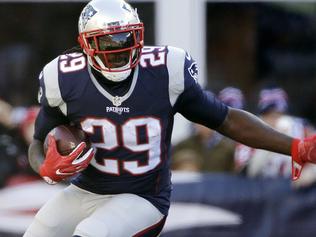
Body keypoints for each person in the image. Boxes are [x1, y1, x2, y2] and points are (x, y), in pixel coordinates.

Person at [24, 0, 316, 236]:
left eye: (127, 38)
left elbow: (225, 119)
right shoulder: (63, 78)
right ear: (86, 45)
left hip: (143, 198)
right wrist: (45, 167)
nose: (119, 49)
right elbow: (38, 141)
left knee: (93, 234)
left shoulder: (165, 71)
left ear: (140, 35)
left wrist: (294, 147)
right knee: (39, 231)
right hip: (86, 190)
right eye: (108, 43)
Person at [171, 87, 245, 173]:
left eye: (207, 119)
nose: (203, 124)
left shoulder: (228, 147)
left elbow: (232, 175)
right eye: (198, 119)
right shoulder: (183, 145)